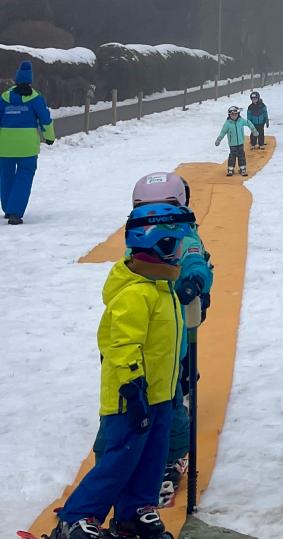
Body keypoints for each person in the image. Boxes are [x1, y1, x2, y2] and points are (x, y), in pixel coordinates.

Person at [52, 203, 196, 539]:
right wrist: (133, 388)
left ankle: (136, 512)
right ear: (157, 244)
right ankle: (76, 517)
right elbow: (122, 347)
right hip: (131, 398)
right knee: (120, 460)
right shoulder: (135, 295)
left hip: (161, 395)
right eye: (176, 245)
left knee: (151, 459)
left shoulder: (163, 289)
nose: (179, 254)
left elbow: (167, 342)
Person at [100, 172, 213, 506]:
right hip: (137, 326)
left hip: (169, 331)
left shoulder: (184, 235)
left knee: (170, 401)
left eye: (162, 207)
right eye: (144, 208)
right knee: (125, 397)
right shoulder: (139, 234)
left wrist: (193, 282)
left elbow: (195, 262)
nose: (153, 216)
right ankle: (112, 458)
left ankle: (171, 456)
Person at [0, 60, 55, 225]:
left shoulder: (4, 98)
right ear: (30, 80)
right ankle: (15, 212)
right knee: (24, 177)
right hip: (27, 147)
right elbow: (45, 119)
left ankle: (8, 208)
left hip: (5, 146)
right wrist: (50, 137)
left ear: (16, 79)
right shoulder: (36, 98)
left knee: (5, 176)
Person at [214, 106, 259, 177]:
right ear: (229, 115)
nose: (234, 116)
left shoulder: (241, 121)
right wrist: (219, 139)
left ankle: (242, 168)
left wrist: (254, 130)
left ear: (238, 114)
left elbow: (249, 123)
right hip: (232, 144)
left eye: (235, 114)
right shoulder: (227, 124)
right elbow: (223, 132)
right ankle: (230, 169)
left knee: (241, 156)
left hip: (240, 143)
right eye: (232, 115)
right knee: (232, 156)